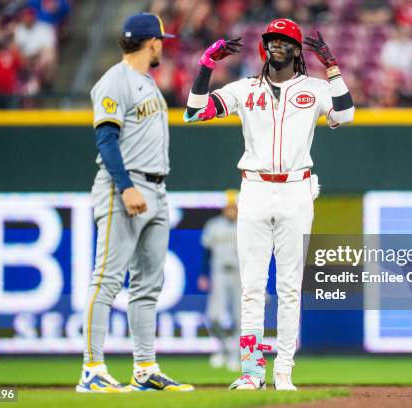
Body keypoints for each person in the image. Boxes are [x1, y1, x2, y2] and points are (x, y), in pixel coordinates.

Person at [184, 18, 355, 390]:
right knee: (252, 286)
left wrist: (333, 67)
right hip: (256, 189)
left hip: (297, 189)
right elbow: (194, 111)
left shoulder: (314, 87)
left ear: (296, 50)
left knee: (291, 287)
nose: (275, 44)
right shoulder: (245, 88)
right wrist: (205, 66)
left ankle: (284, 372)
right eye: (271, 39)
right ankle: (251, 371)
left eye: (283, 39)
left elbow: (345, 114)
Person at [76, 12, 193, 393]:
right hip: (124, 187)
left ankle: (145, 369)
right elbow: (106, 139)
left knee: (147, 286)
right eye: (161, 40)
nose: (163, 45)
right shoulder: (115, 80)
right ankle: (92, 369)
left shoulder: (146, 82)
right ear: (151, 42)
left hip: (157, 189)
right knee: (107, 280)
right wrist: (125, 187)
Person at [198, 189, 241, 372]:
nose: (231, 210)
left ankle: (235, 355)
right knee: (214, 316)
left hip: (241, 273)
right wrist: (203, 274)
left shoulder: (248, 224)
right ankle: (226, 346)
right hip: (219, 272)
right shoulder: (214, 225)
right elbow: (206, 251)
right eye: (228, 207)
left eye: (234, 207)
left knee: (242, 318)